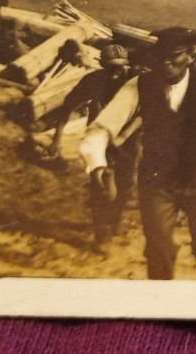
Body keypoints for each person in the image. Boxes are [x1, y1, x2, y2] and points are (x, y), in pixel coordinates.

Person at [80, 27, 196, 280]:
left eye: (175, 54)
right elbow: (100, 129)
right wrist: (96, 165)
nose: (166, 61)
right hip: (156, 180)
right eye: (161, 55)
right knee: (157, 248)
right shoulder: (139, 85)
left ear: (191, 57)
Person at [43, 43, 138, 246]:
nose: (115, 72)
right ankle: (101, 233)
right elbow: (67, 107)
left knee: (127, 184)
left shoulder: (136, 83)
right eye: (110, 67)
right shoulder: (93, 81)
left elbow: (147, 113)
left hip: (129, 139)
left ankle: (116, 218)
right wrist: (57, 139)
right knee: (100, 184)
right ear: (102, 65)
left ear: (126, 66)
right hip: (99, 139)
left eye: (119, 68)